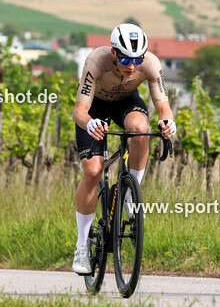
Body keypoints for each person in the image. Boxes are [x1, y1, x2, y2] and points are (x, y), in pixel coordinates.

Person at [70, 23, 176, 274]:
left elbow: (163, 106)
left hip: (125, 102)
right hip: (94, 108)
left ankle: (130, 192)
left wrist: (167, 122)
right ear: (114, 53)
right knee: (93, 172)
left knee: (141, 129)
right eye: (126, 59)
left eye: (137, 60)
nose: (131, 67)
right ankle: (82, 245)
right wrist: (90, 122)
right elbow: (78, 112)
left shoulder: (150, 64)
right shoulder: (96, 62)